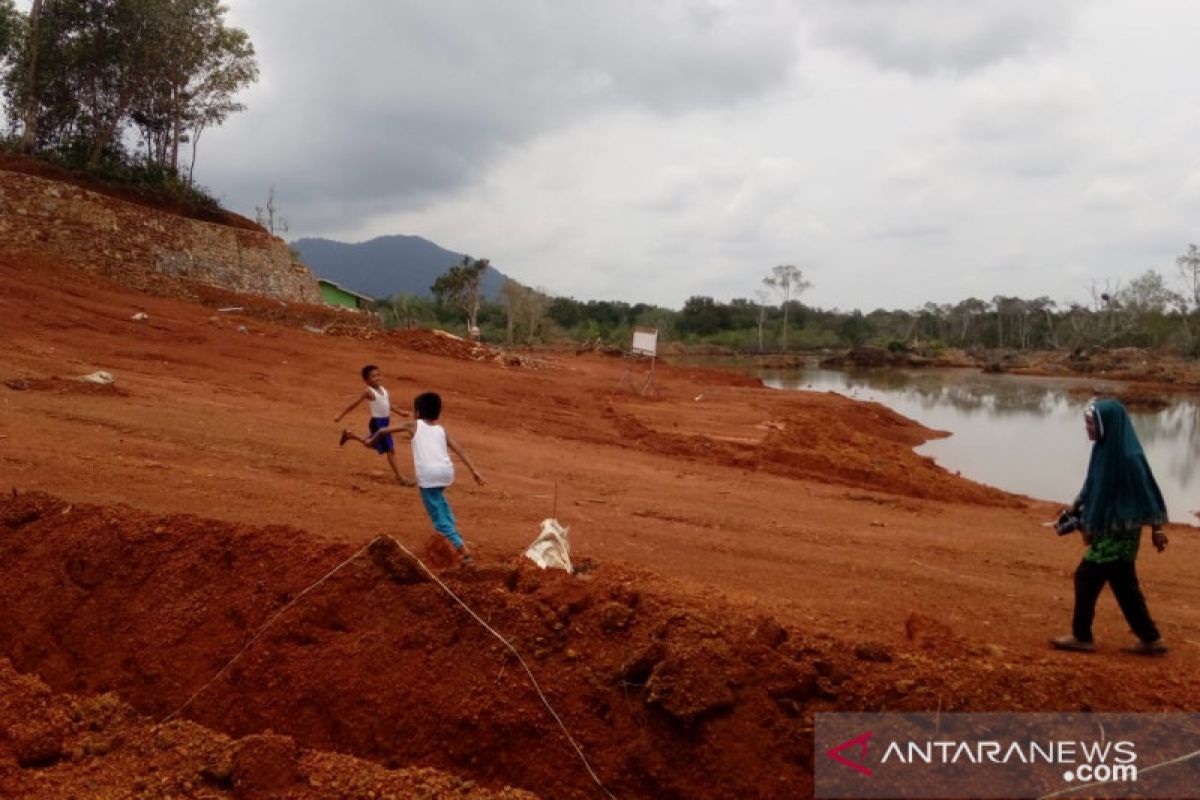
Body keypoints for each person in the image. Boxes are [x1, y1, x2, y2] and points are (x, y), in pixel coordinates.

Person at [1051, 399, 1170, 656]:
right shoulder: (1103, 450)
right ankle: (1151, 639)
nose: (1088, 429)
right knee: (1123, 583)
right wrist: (1074, 507)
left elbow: (1148, 493)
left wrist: (1157, 529)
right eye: (1087, 423)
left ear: (1108, 424)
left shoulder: (1129, 458)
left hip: (1121, 533)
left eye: (1092, 423)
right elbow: (1092, 484)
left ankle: (1081, 636)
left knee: (1087, 575)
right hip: (1108, 528)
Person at [367, 392, 485, 564]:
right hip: (446, 473)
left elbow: (383, 430)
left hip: (429, 475)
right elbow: (460, 449)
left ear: (417, 413)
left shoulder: (413, 425)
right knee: (440, 500)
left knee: (437, 515)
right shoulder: (441, 430)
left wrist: (372, 440)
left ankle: (463, 550)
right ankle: (452, 529)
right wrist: (474, 470)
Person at [335, 365, 414, 486]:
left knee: (373, 444)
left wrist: (400, 412)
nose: (377, 377)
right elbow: (354, 404)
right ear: (366, 381)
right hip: (377, 424)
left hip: (384, 422)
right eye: (373, 376)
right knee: (390, 450)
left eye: (378, 375)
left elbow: (388, 405)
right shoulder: (368, 392)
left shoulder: (383, 390)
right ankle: (400, 478)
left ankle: (350, 435)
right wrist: (340, 416)